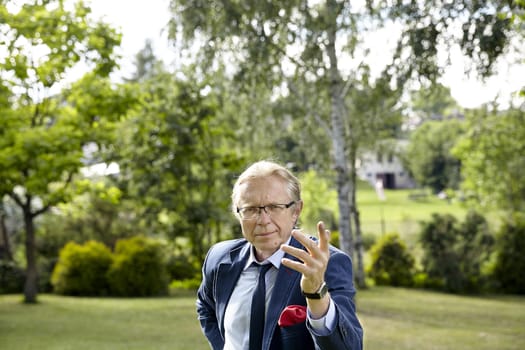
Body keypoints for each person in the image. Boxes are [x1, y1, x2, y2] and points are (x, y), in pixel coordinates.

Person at [196, 160, 363, 350]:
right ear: (238, 214)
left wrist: (316, 294)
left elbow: (350, 347)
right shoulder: (219, 258)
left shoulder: (324, 263)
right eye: (250, 209)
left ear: (295, 211)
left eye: (274, 207)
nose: (263, 220)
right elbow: (206, 307)